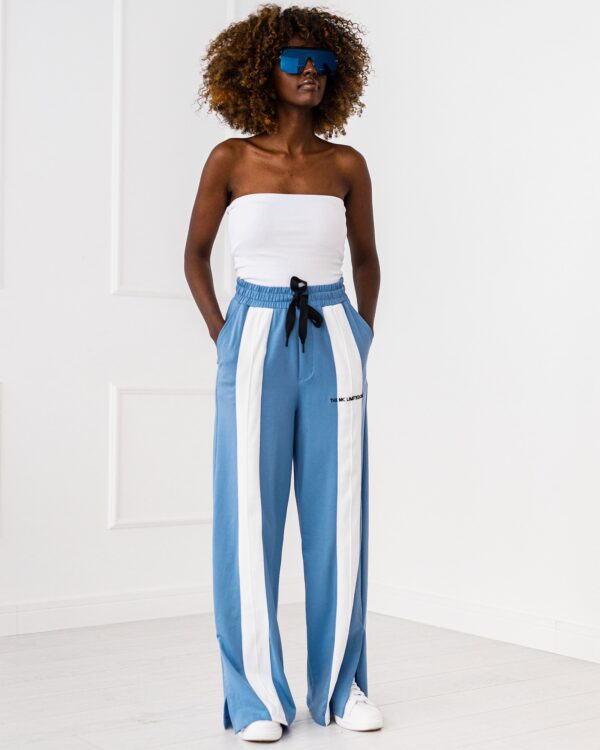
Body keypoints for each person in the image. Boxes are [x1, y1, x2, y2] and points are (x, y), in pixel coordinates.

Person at [184, 3, 382, 743]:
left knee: (340, 516)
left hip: (331, 332)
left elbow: (367, 259)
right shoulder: (231, 159)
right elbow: (194, 254)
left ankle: (341, 688)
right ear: (259, 70)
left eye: (323, 63)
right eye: (295, 59)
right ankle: (255, 699)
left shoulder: (346, 165)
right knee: (249, 517)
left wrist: (360, 334)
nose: (310, 72)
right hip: (255, 332)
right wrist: (225, 334)